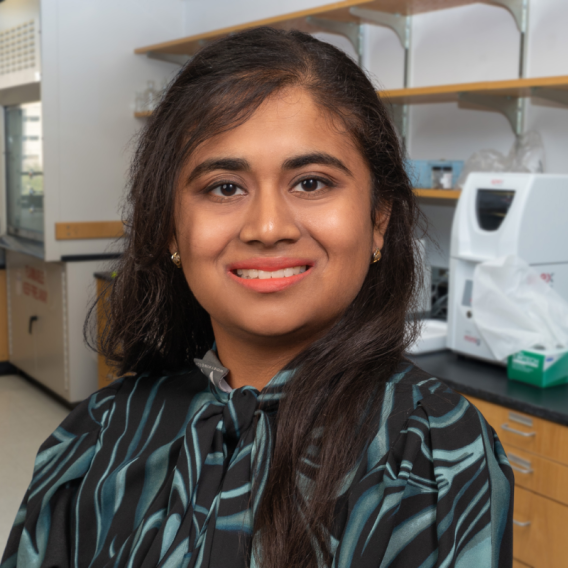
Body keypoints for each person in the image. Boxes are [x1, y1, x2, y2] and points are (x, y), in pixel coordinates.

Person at [1, 27, 513, 568]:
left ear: (379, 219)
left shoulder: (435, 451)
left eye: (312, 183)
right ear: (173, 229)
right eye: (225, 187)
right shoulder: (98, 433)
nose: (268, 228)